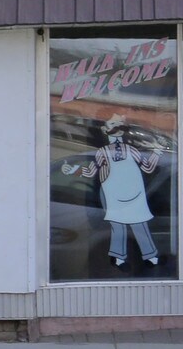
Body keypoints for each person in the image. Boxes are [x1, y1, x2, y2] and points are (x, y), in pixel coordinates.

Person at [63, 116, 161, 271]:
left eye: (120, 125)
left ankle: (151, 256)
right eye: (113, 124)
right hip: (114, 194)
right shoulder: (103, 152)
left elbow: (147, 167)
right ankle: (118, 258)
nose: (118, 127)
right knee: (117, 226)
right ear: (105, 130)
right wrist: (72, 170)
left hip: (134, 194)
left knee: (140, 224)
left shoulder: (131, 150)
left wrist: (156, 152)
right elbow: (90, 171)